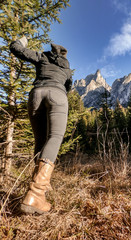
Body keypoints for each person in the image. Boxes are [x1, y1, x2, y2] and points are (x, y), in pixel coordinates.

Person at [10, 36, 72, 214]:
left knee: (40, 140)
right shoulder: (66, 68)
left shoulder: (42, 57)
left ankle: (36, 189)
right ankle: (36, 193)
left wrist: (23, 40)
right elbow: (69, 87)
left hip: (36, 95)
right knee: (54, 137)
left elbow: (15, 48)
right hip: (57, 95)